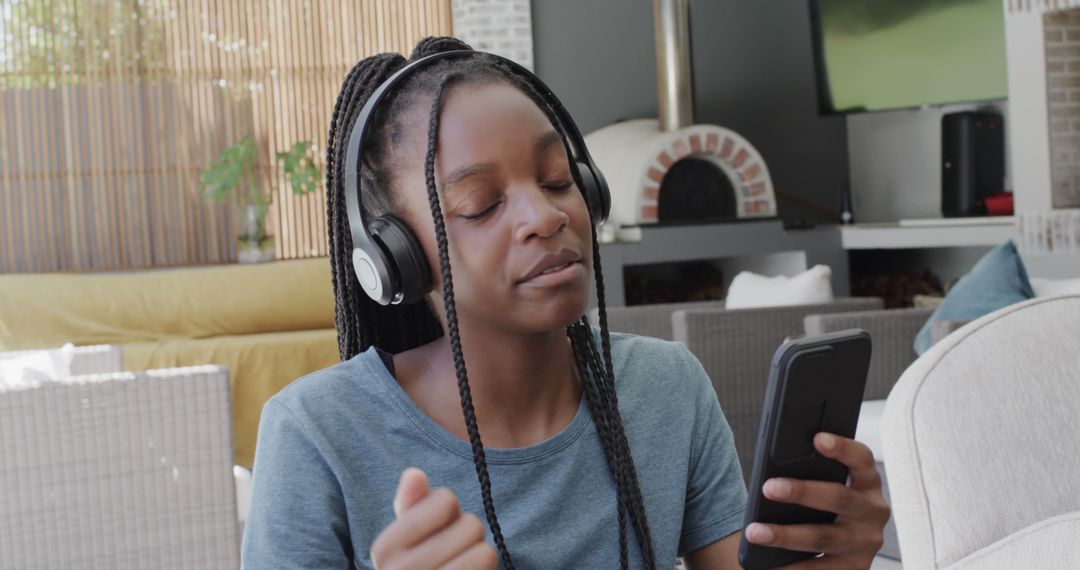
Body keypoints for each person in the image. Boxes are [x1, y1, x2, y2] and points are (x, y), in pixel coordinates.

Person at [242, 36, 890, 570]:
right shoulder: (316, 435)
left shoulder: (668, 389)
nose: (545, 215)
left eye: (558, 180)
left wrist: (837, 561)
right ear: (396, 256)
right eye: (482, 204)